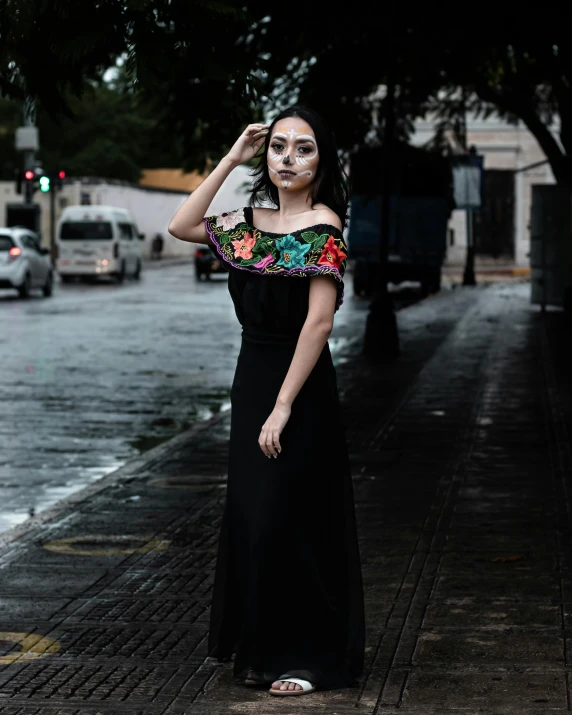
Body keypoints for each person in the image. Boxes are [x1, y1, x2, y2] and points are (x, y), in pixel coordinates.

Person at [168, 106, 365, 697]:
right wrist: (231, 158)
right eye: (278, 147)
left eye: (302, 148)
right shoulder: (245, 224)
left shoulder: (325, 225)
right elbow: (181, 225)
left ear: (322, 161)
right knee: (254, 519)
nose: (287, 158)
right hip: (251, 377)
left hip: (299, 388)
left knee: (294, 519)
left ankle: (309, 657)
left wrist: (282, 406)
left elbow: (320, 323)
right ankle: (260, 648)